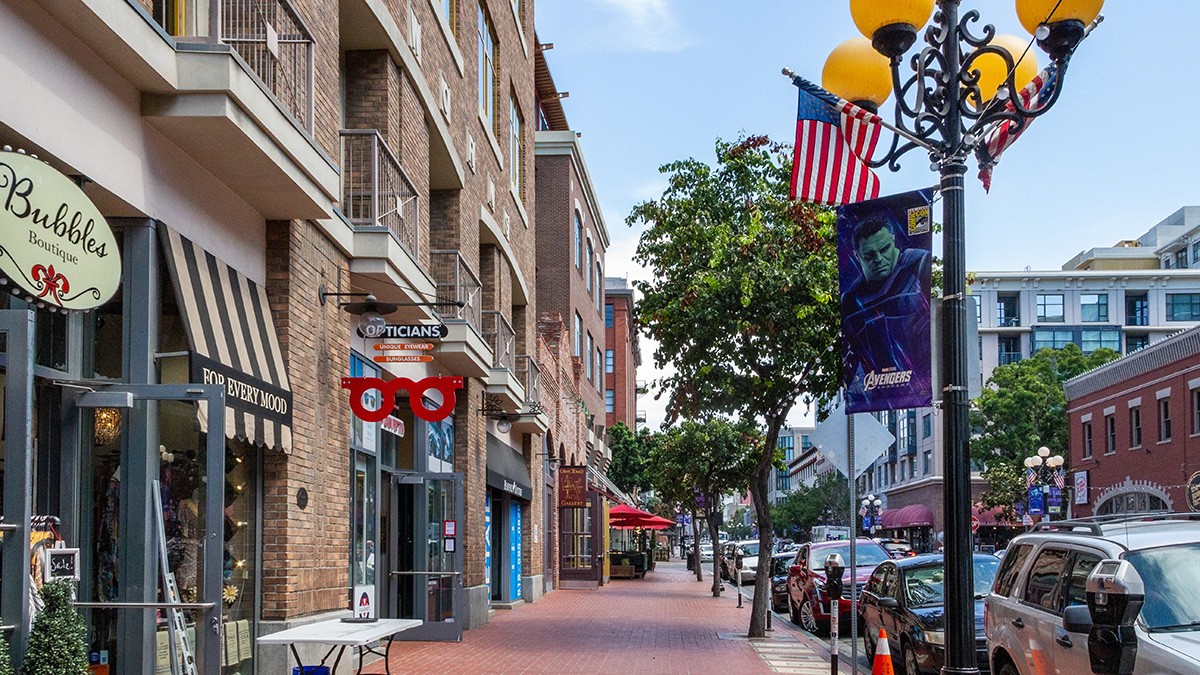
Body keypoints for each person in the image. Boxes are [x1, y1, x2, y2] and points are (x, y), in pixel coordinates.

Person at [841, 218, 931, 403]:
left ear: (893, 239)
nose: (878, 259)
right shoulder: (851, 300)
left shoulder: (920, 264)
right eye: (869, 255)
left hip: (922, 387)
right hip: (878, 393)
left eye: (884, 249)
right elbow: (852, 358)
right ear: (857, 256)